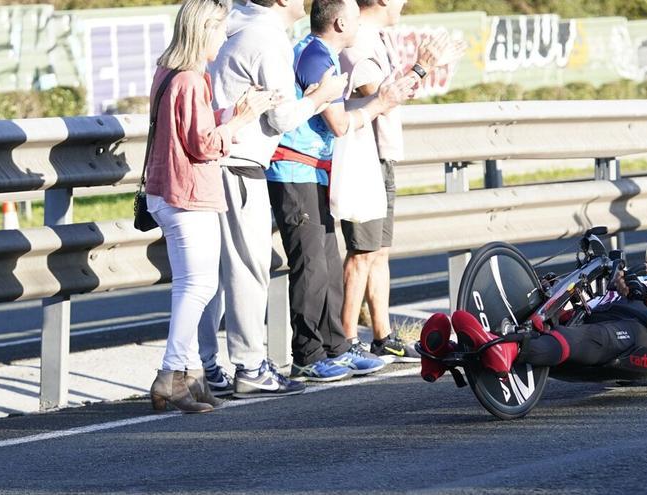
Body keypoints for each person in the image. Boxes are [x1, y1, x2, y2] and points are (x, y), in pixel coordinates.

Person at [198, 0, 349, 399]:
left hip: (217, 160)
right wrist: (323, 96)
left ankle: (205, 365)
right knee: (249, 267)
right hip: (240, 161)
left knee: (211, 273)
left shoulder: (239, 25)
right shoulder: (267, 37)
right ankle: (249, 365)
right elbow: (280, 118)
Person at [266, 0, 417, 381]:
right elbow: (337, 123)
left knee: (329, 266)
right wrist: (381, 103)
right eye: (352, 13)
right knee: (312, 268)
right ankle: (308, 354)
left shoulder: (322, 54)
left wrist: (385, 99)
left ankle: (338, 347)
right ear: (340, 21)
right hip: (294, 170)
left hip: (314, 171)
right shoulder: (316, 58)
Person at [146, 0, 278, 413]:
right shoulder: (190, 79)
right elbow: (203, 144)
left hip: (165, 191)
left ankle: (192, 378)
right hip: (188, 193)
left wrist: (229, 112)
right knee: (199, 287)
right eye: (220, 29)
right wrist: (241, 120)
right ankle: (171, 375)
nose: (224, 38)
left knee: (193, 286)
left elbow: (190, 127)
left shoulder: (168, 73)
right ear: (203, 30)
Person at [420, 224, 647, 381]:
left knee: (593, 335)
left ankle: (510, 349)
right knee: (546, 320)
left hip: (639, 334)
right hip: (594, 320)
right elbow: (585, 309)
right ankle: (446, 353)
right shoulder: (630, 281)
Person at [338, 0, 465, 363]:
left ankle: (383, 336)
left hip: (382, 156)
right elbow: (380, 95)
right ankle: (348, 340)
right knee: (362, 252)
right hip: (364, 157)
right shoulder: (355, 39)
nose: (404, 3)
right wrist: (423, 67)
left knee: (380, 252)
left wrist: (424, 68)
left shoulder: (375, 37)